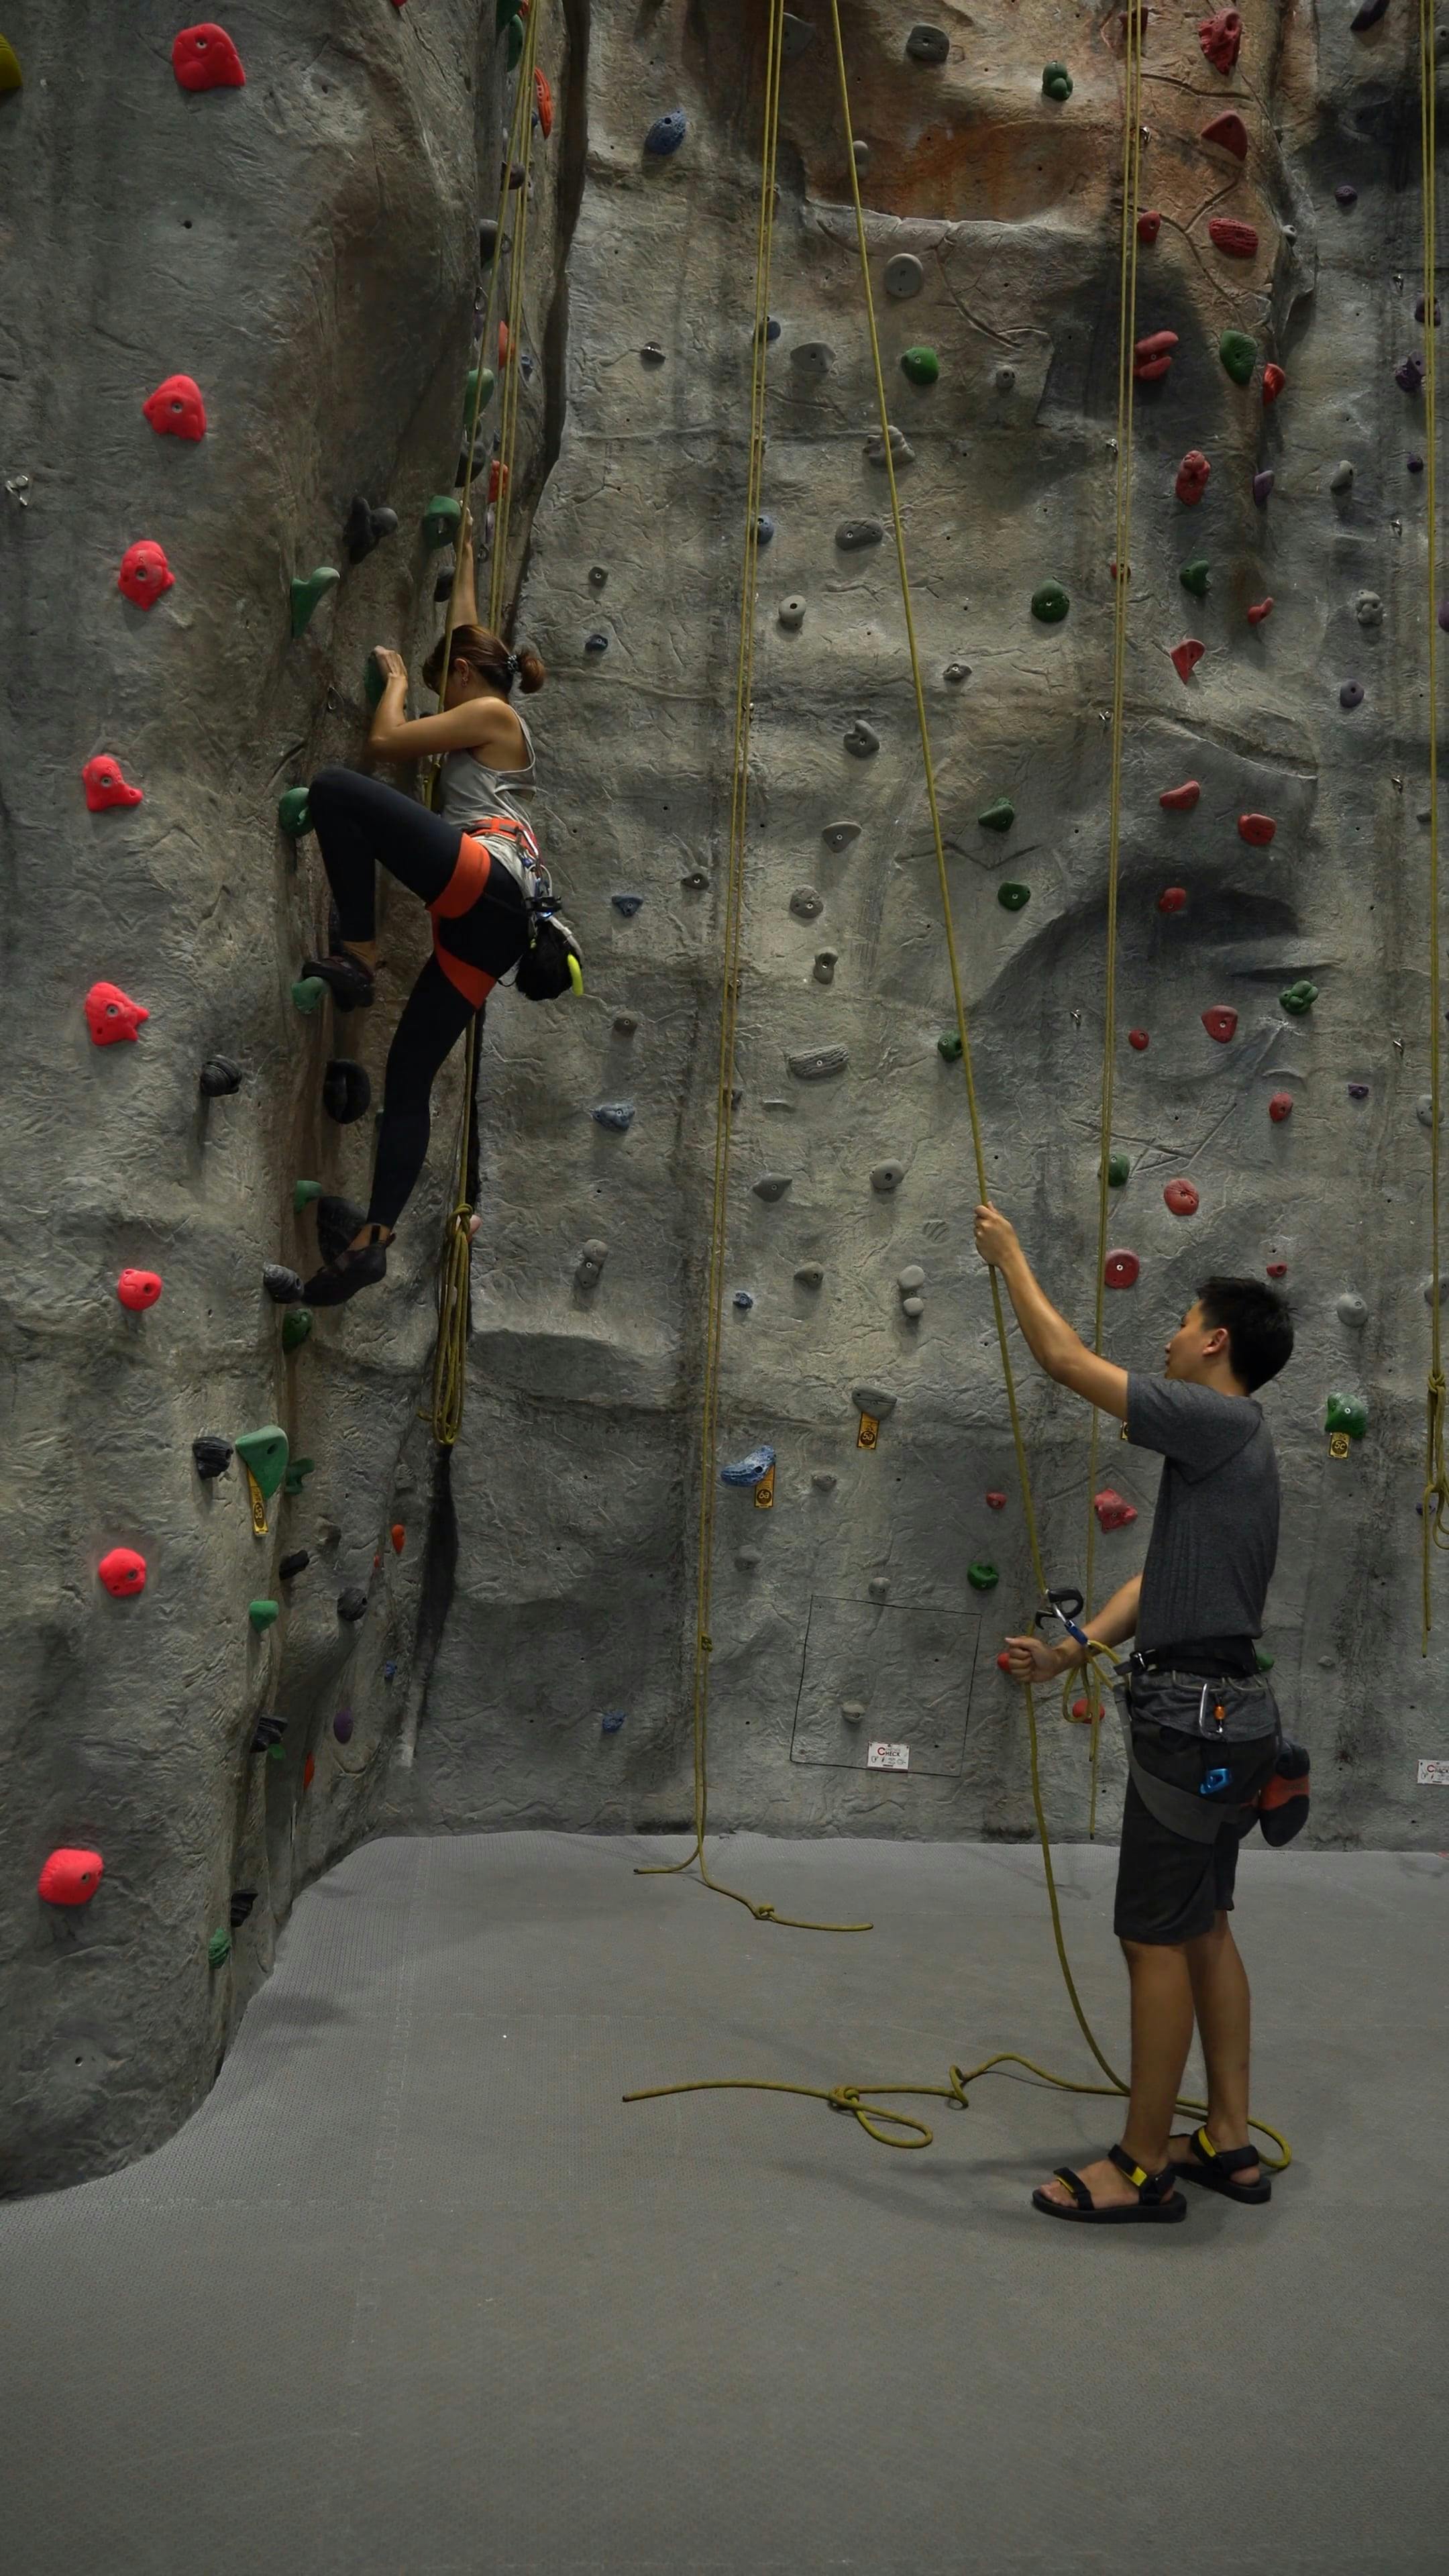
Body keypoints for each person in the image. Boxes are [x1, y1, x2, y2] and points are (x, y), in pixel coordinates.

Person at [973, 1201, 1294, 2228]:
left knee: (1152, 1939)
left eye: (1181, 1319)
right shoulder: (1237, 1451)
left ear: (1215, 1342)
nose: (1166, 1335)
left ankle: (1142, 2165)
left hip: (1191, 1722)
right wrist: (1076, 1649)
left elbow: (1066, 1362)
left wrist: (1009, 1256)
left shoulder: (1216, 1416)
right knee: (1204, 1929)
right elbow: (1167, 1580)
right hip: (1232, 1715)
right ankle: (1228, 2142)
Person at [292, 515, 580, 1306]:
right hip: (491, 927)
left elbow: (389, 743)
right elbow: (468, 630)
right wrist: (472, 549)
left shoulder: (493, 716)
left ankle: (361, 951)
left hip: (488, 882)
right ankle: (373, 1238)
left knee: (336, 793)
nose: (433, 689)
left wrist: (391, 686)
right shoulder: (487, 701)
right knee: (411, 1071)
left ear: (461, 679)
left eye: (438, 679)